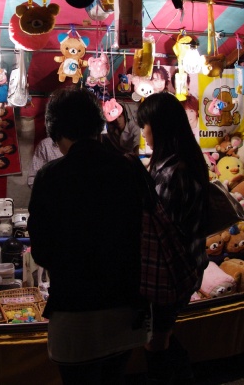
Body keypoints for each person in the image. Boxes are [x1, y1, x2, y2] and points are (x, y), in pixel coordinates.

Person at [28, 88, 150, 384]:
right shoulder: (130, 168)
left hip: (74, 314)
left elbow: (41, 251)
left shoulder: (50, 176)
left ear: (55, 131)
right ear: (98, 125)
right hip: (125, 309)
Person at [136, 92, 209, 383]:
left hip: (169, 271)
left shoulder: (174, 172)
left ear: (159, 126)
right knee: (160, 336)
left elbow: (159, 226)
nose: (143, 132)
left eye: (145, 125)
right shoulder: (179, 162)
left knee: (156, 342)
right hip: (182, 267)